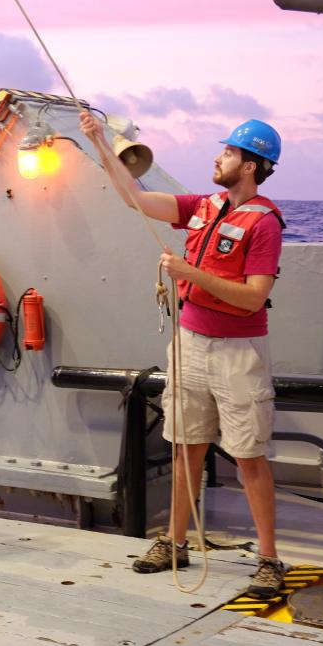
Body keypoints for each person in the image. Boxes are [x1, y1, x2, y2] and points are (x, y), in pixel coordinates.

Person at [81, 113, 287, 597]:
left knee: (249, 455)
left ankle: (270, 559)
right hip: (189, 345)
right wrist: (99, 144)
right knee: (186, 445)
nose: (219, 157)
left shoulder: (265, 223)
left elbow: (253, 297)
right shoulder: (203, 205)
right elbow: (135, 198)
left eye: (230, 153)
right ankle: (174, 543)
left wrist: (189, 274)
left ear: (251, 166)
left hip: (238, 352)